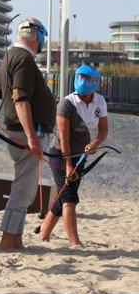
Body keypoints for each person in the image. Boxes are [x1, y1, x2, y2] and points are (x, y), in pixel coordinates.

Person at [0, 17, 56, 251]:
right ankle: (9, 239)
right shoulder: (24, 59)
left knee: (25, 188)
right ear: (38, 38)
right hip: (28, 132)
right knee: (23, 189)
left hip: (20, 130)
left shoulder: (10, 55)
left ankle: (14, 239)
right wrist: (31, 136)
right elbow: (20, 98)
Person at [39, 65, 108, 247]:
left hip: (80, 155)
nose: (83, 81)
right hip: (59, 153)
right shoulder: (66, 103)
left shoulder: (100, 101)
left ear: (96, 82)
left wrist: (95, 143)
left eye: (88, 78)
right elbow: (64, 137)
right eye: (80, 77)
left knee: (63, 194)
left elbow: (103, 130)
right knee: (69, 196)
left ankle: (44, 235)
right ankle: (75, 242)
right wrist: (68, 164)